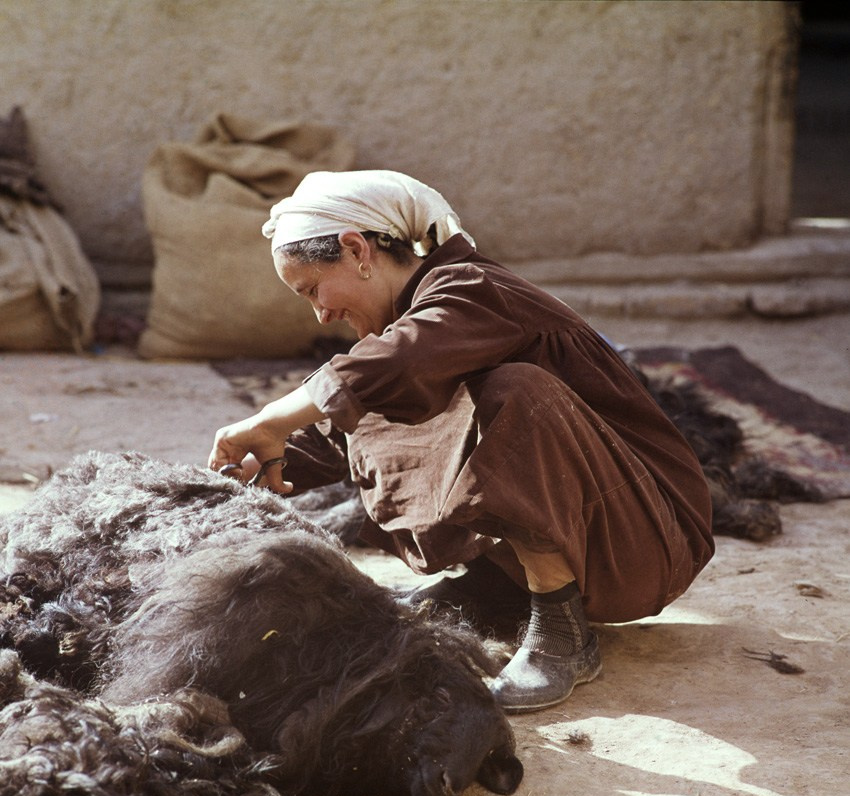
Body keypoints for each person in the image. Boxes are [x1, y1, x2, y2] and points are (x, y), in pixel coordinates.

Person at [208, 170, 715, 713]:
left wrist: (273, 415)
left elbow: (400, 359)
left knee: (514, 393)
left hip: (648, 538)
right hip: (592, 536)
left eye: (313, 289)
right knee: (378, 398)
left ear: (357, 250)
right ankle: (493, 590)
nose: (321, 313)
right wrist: (236, 482)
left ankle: (562, 635)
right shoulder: (407, 328)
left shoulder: (474, 288)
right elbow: (347, 415)